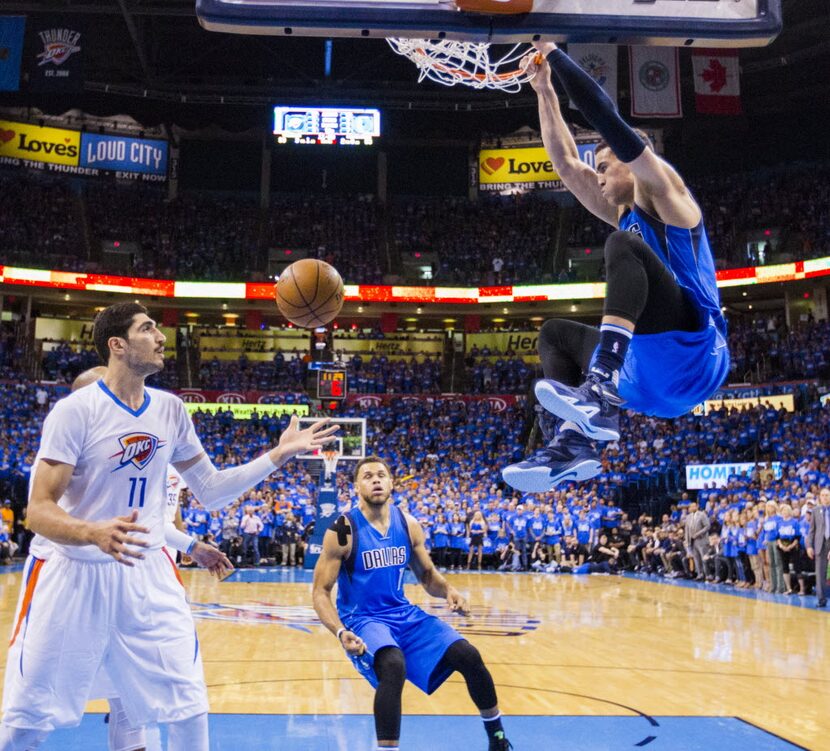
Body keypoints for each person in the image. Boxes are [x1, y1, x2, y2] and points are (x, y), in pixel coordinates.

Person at [0, 302, 337, 751]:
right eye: (147, 329)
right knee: (27, 719)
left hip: (146, 574)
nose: (161, 337)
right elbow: (37, 511)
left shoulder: (171, 409)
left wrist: (277, 456)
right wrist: (93, 532)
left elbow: (212, 490)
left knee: (188, 706)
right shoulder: (75, 412)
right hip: (73, 574)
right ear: (117, 345)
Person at [502, 42, 729, 493]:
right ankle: (573, 444)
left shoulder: (671, 198)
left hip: (694, 353)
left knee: (622, 244)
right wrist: (543, 89)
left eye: (604, 166)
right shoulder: (623, 214)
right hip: (646, 383)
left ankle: (599, 386)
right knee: (554, 335)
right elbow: (566, 164)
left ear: (633, 161)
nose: (598, 176)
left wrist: (557, 55)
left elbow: (607, 118)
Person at [312, 456, 512, 751]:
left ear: (392, 483)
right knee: (393, 665)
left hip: (403, 613)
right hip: (364, 619)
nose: (376, 480)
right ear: (356, 487)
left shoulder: (408, 524)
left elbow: (428, 576)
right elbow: (320, 591)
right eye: (367, 476)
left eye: (381, 474)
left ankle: (497, 738)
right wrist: (341, 632)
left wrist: (449, 592)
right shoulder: (343, 529)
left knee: (468, 655)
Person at [806, 487, 830, 608]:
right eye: (823, 495)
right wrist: (809, 546)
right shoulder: (815, 511)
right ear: (820, 497)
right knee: (820, 574)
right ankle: (821, 600)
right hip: (820, 545)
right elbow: (811, 531)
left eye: (827, 495)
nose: (825, 497)